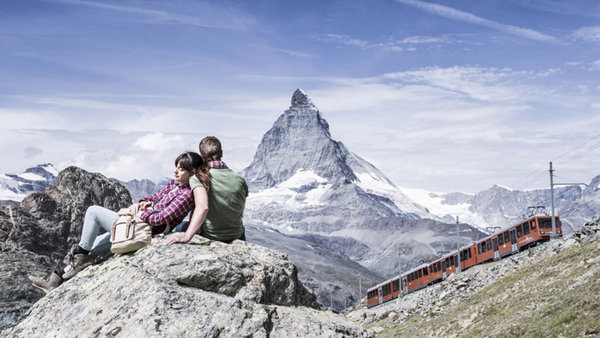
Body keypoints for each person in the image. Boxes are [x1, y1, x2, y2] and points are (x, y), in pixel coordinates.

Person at [29, 151, 208, 293]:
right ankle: (57, 279)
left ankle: (79, 256)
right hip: (138, 225)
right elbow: (152, 197)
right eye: (176, 167)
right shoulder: (173, 184)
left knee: (93, 212)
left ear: (193, 173)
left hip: (145, 230)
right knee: (95, 246)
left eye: (181, 169)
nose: (175, 171)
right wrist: (142, 204)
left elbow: (160, 219)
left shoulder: (186, 195)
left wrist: (134, 213)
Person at [164, 136, 248, 245]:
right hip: (237, 235)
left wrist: (186, 237)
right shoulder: (240, 180)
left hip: (211, 236)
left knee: (181, 226)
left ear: (201, 156)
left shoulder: (198, 178)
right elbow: (240, 214)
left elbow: (203, 207)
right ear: (221, 153)